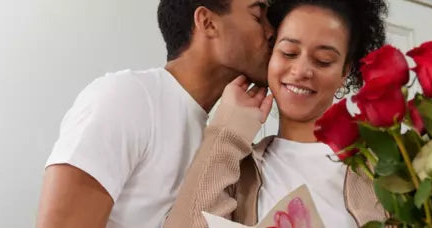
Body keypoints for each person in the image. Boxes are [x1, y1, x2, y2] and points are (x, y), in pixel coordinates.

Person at [36, 0, 274, 227]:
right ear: (207, 22)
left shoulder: (217, 137)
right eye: (257, 16)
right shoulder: (126, 98)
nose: (271, 31)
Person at [164, 0, 388, 227]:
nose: (301, 71)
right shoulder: (238, 171)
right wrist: (226, 133)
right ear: (270, 55)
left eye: (323, 61)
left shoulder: (383, 171)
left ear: (345, 71)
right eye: (289, 53)